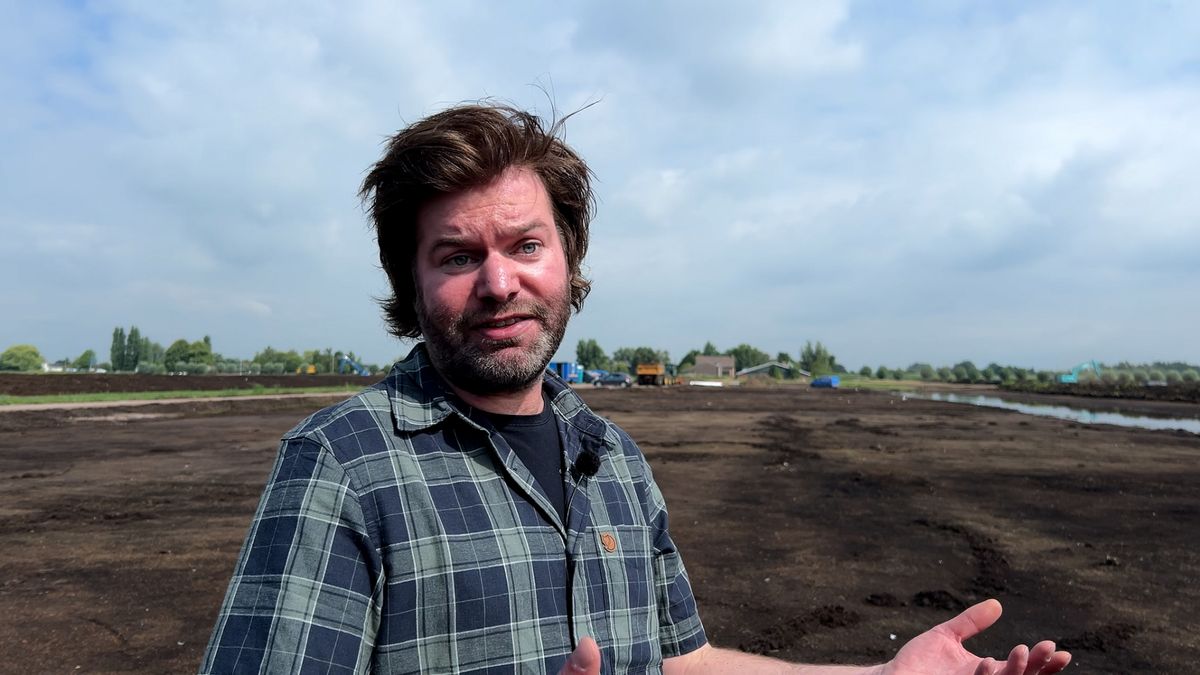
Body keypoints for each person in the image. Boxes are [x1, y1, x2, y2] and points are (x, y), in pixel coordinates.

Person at [200, 104, 1070, 675]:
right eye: (459, 256)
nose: (499, 282)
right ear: (411, 282)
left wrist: (881, 673)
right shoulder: (342, 466)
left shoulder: (612, 460)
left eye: (525, 246)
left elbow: (682, 660)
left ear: (569, 261)